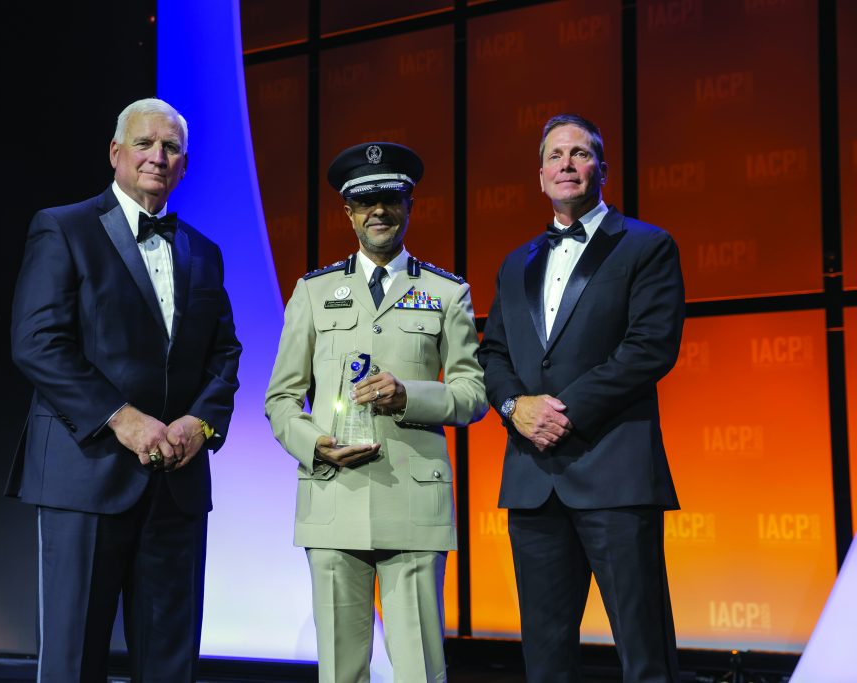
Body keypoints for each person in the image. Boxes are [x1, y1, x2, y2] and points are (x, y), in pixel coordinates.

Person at [6, 97, 241, 683]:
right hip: (85, 476)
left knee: (170, 662)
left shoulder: (204, 252)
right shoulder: (63, 228)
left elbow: (225, 354)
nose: (157, 157)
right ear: (116, 153)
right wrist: (121, 417)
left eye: (171, 148)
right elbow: (37, 343)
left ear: (185, 164)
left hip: (177, 484)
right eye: (144, 144)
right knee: (72, 659)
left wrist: (200, 423)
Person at [265, 141, 488, 682]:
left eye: (390, 198)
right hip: (333, 498)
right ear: (348, 213)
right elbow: (280, 399)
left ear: (410, 204)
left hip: (413, 504)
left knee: (420, 672)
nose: (379, 212)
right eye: (366, 202)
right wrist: (314, 444)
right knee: (340, 672)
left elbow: (473, 393)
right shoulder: (313, 292)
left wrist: (410, 395)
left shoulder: (446, 292)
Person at [477, 114, 684, 683]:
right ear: (540, 175)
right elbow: (492, 354)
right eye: (555, 155)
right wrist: (514, 408)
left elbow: (649, 348)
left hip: (613, 473)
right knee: (544, 660)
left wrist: (558, 411)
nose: (566, 163)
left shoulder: (646, 245)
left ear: (602, 169)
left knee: (645, 655)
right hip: (533, 482)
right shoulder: (515, 262)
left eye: (580, 153)